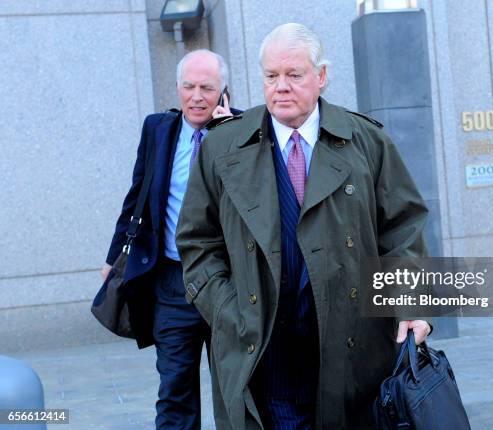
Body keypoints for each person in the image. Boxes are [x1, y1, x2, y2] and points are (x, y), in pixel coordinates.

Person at [176, 24, 431, 429]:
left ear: (321, 77)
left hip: (351, 349)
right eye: (271, 76)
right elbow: (197, 242)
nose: (281, 87)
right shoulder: (222, 148)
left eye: (294, 75)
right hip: (259, 348)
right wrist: (229, 309)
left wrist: (411, 305)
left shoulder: (366, 142)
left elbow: (403, 231)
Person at [101, 49, 237, 429]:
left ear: (224, 91)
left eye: (207, 88)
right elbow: (137, 195)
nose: (197, 96)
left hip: (230, 282)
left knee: (236, 388)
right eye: (188, 86)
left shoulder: (245, 131)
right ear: (177, 88)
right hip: (172, 280)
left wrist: (227, 137)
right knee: (174, 388)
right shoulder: (157, 129)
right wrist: (114, 256)